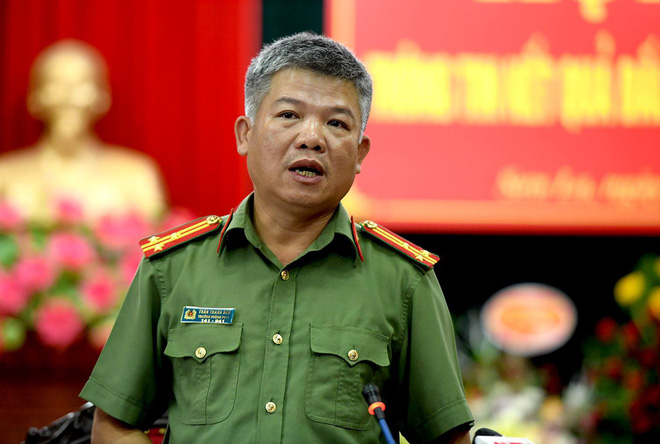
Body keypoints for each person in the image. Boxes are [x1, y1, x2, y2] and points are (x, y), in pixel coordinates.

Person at [81, 32, 474, 443]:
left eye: (336, 123)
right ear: (245, 134)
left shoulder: (403, 281)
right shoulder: (172, 269)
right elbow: (114, 426)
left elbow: (447, 437)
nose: (311, 138)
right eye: (289, 115)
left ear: (360, 154)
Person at [0, 39, 166, 223]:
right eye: (54, 83)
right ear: (35, 98)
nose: (68, 96)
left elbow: (158, 236)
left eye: (82, 84)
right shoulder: (4, 175)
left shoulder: (137, 175)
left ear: (103, 97)